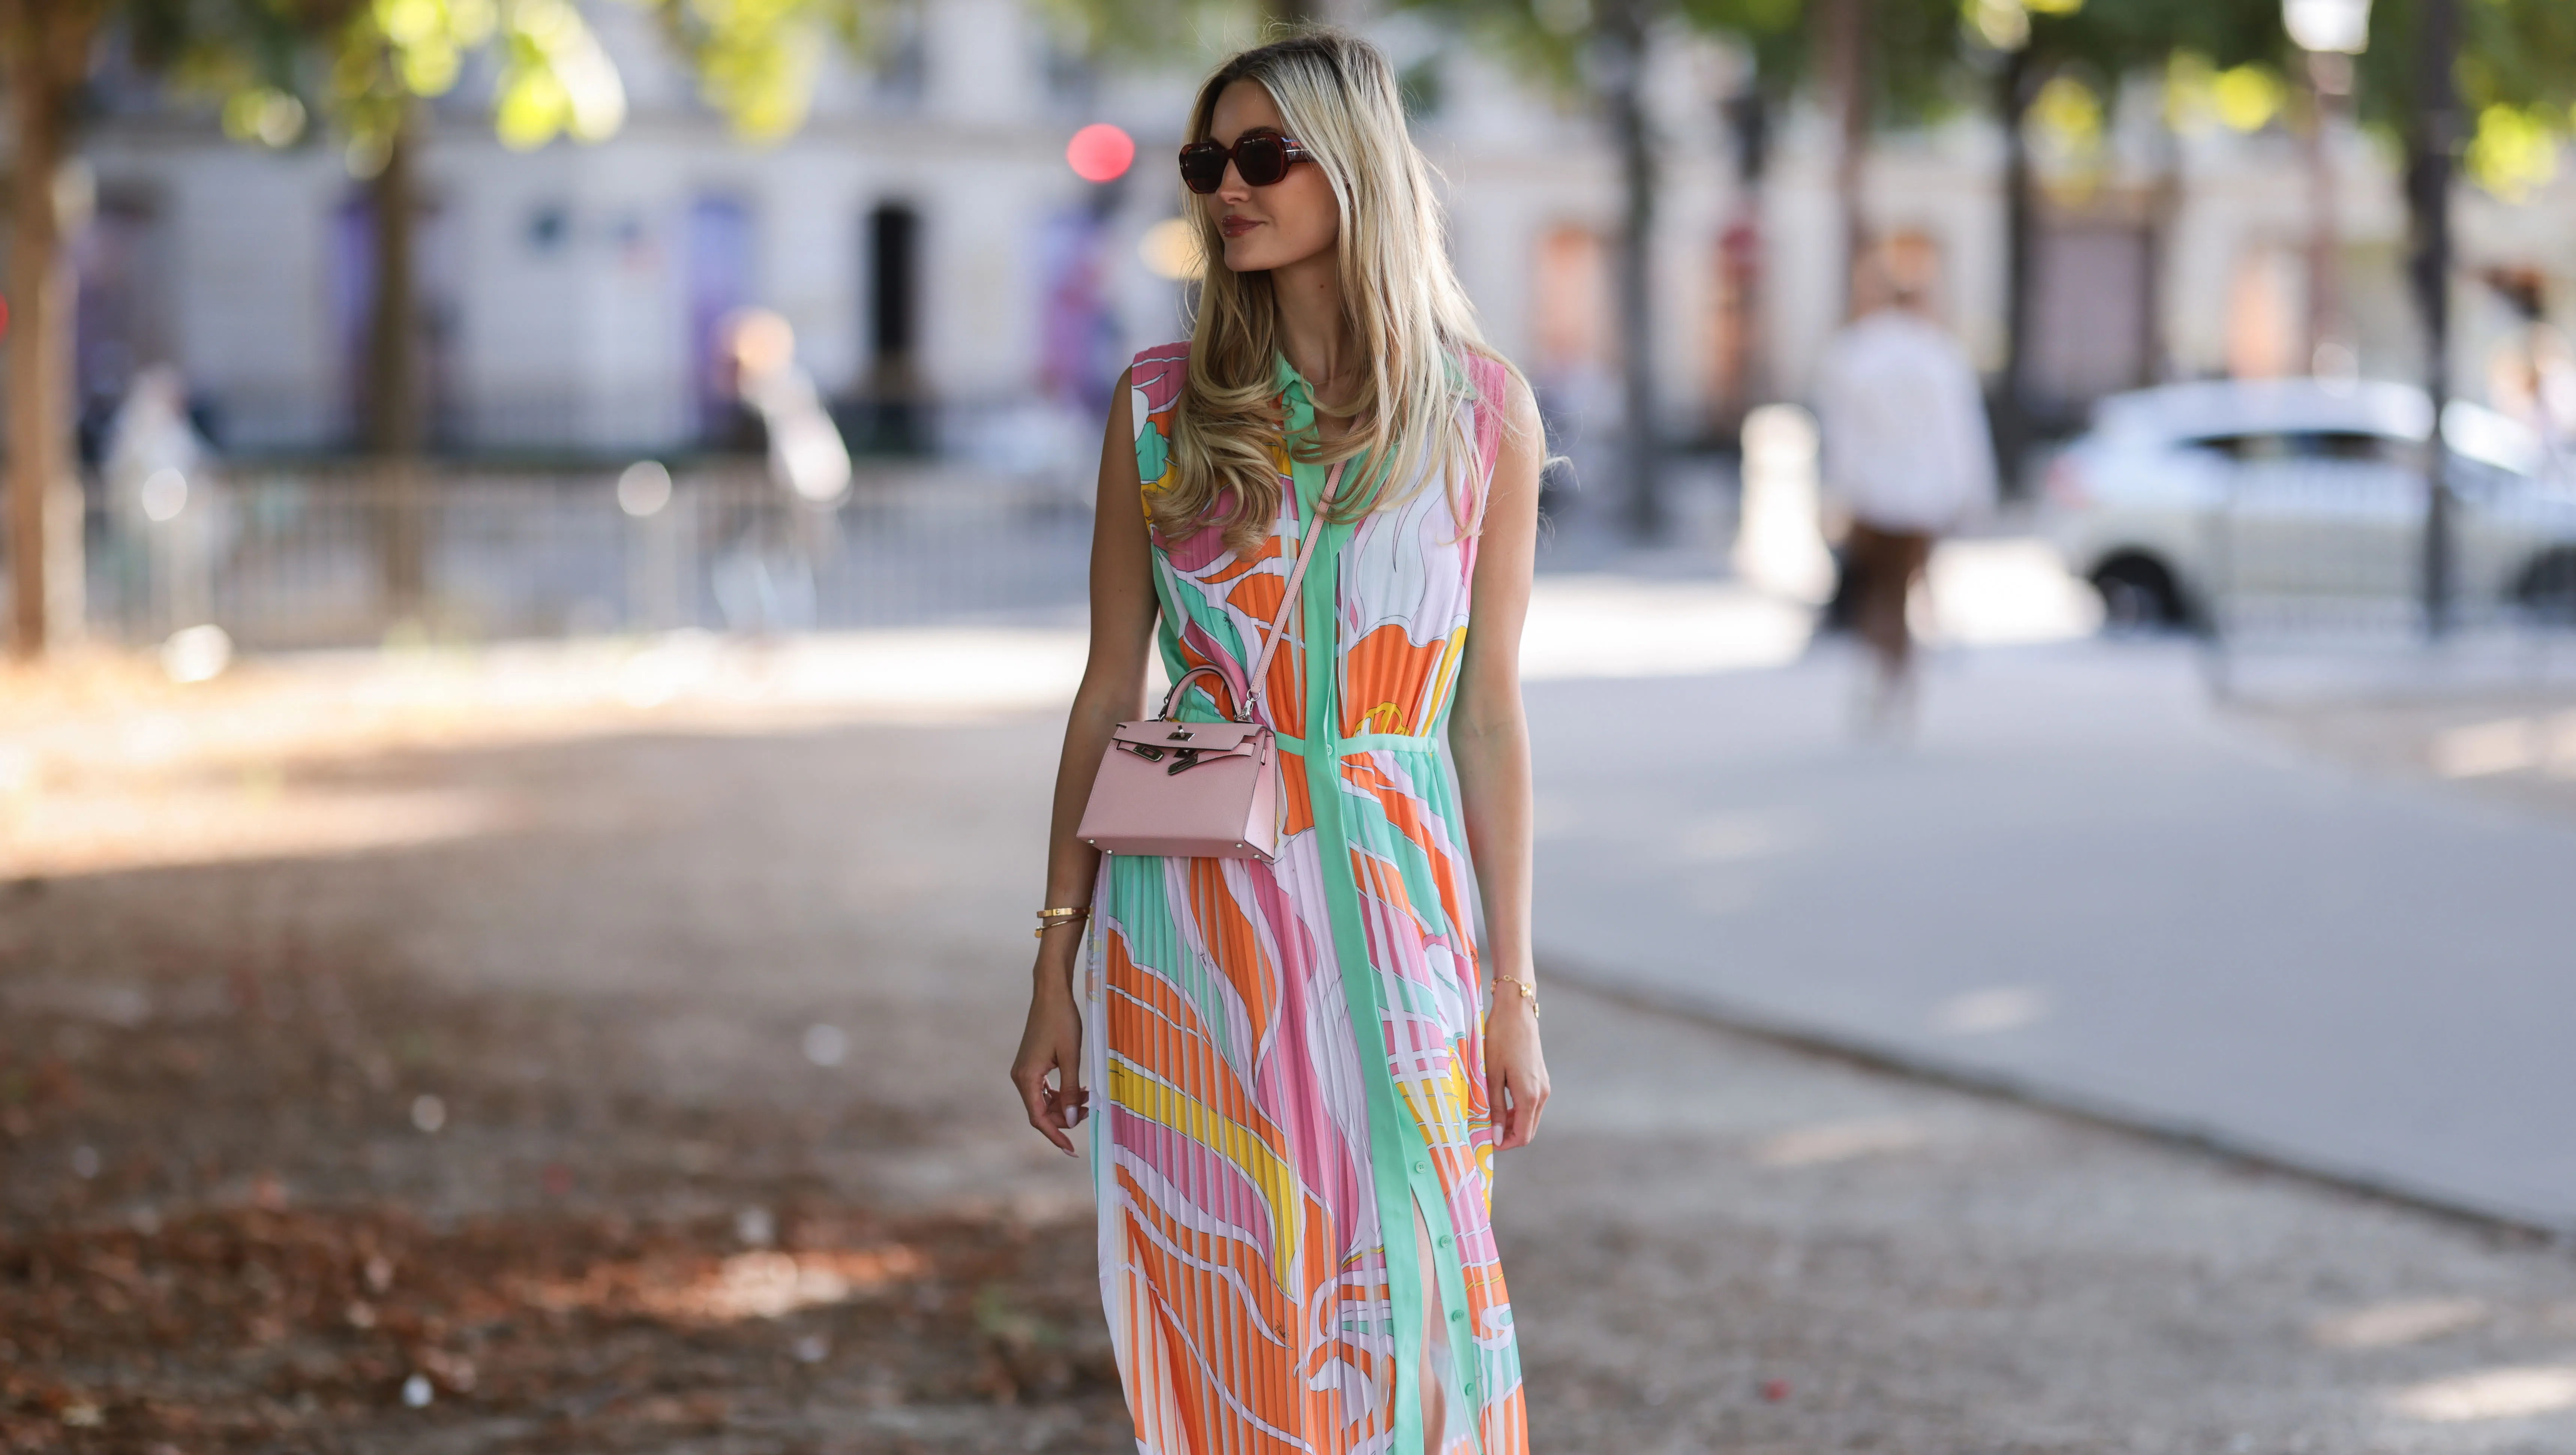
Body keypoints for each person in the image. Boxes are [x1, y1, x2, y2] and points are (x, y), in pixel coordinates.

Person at [1009, 30, 1549, 1454]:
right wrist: (1053, 962)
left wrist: (1512, 988)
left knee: (1424, 1273)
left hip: (1397, 896)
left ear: (1354, 166)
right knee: (1233, 1287)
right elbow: (1106, 691)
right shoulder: (1160, 407)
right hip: (1194, 919)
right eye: (1207, 161)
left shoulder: (1480, 413)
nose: (1226, 189)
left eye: (1262, 155)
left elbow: (1487, 713)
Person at [1812, 261, 1997, 732]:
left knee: (1877, 590)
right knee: (1906, 586)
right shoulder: (1938, 355)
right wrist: (1970, 494)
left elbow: (1841, 436)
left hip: (1871, 495)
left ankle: (1882, 675)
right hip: (1923, 497)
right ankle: (1901, 679)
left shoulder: (1854, 353)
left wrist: (1836, 493)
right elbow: (1960, 435)